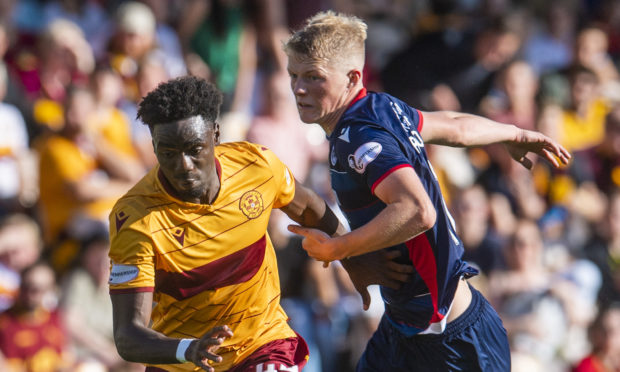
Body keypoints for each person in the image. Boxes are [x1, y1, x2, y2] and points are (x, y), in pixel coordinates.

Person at [283, 11, 571, 371]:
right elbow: (452, 126)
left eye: (313, 77)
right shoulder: (381, 107)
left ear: (352, 78)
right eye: (294, 75)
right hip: (405, 328)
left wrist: (340, 249)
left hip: (453, 338)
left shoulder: (358, 138)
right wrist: (513, 134)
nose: (298, 88)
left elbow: (416, 211)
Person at [108, 76, 411, 372]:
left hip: (262, 343)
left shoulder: (256, 166)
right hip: (186, 362)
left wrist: (349, 253)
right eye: (168, 152)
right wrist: (188, 349)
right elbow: (128, 335)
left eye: (193, 149)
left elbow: (308, 206)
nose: (182, 165)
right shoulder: (135, 220)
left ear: (215, 134)